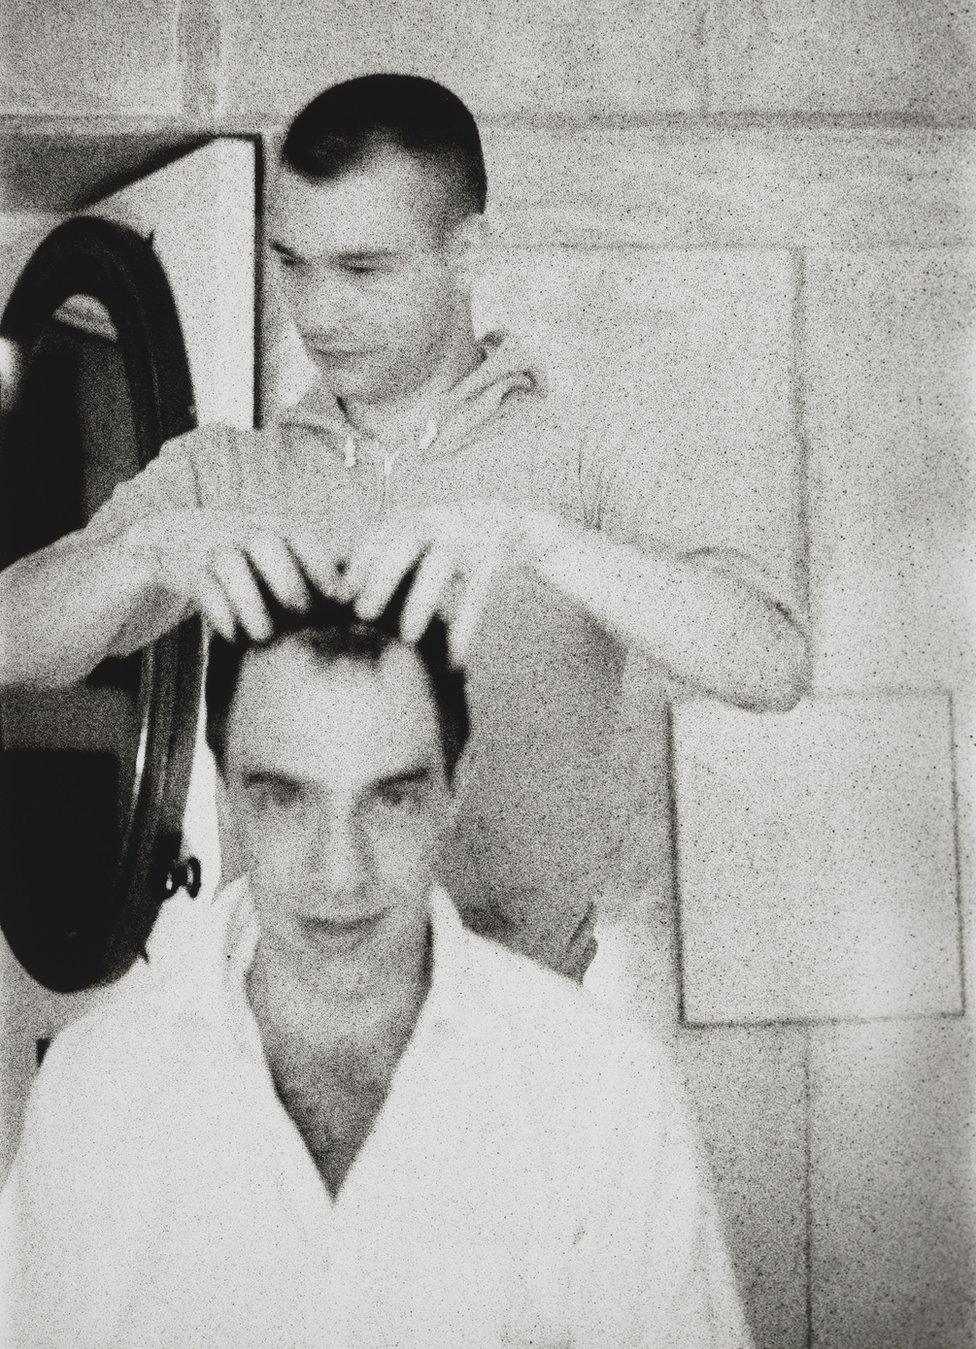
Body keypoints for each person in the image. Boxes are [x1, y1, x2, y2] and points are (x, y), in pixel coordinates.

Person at [0, 73, 809, 978]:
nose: (316, 312)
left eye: (360, 268)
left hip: (519, 1036)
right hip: (283, 1039)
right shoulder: (224, 472)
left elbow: (771, 664)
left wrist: (538, 541)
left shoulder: (588, 451)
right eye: (292, 263)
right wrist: (141, 553)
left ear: (467, 252)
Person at [0, 586, 752, 1348]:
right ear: (228, 796)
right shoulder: (97, 1094)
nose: (341, 873)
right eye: (285, 798)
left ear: (451, 795)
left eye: (389, 798)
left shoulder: (603, 1090)